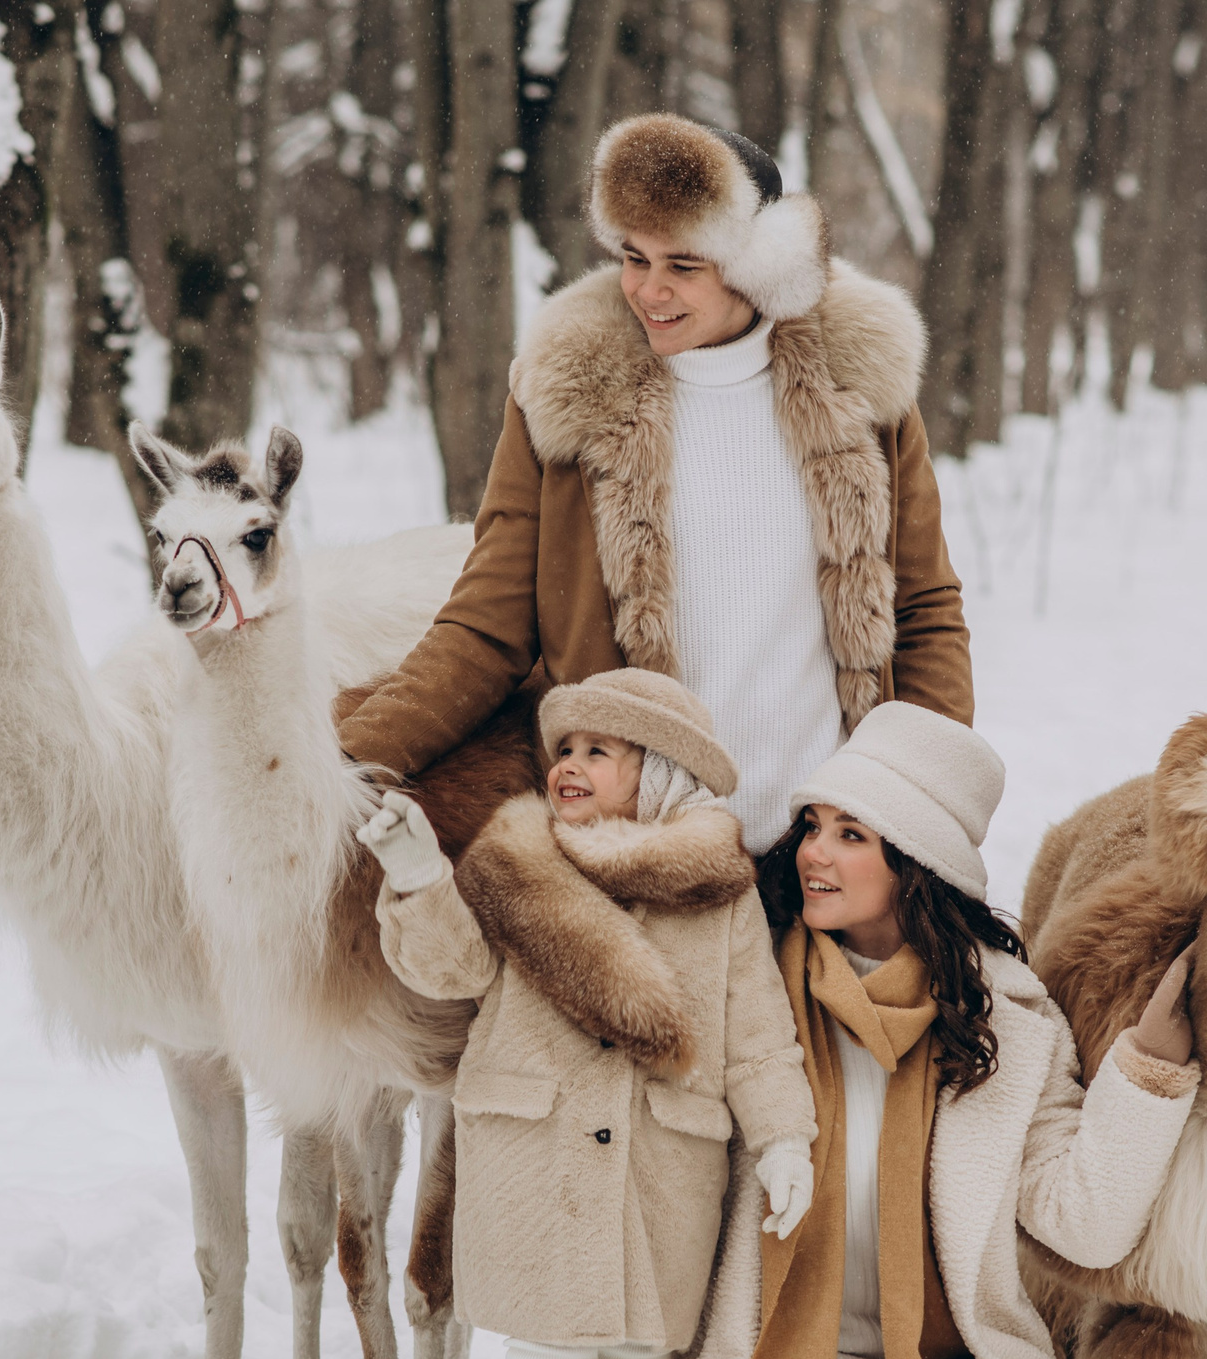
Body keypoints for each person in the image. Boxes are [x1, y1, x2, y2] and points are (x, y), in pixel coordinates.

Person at [638, 703, 1207, 1359]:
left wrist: (1149, 1074)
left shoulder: (1007, 1025)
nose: (814, 855)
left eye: (851, 835)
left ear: (914, 863)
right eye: (811, 827)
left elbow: (1082, 1225)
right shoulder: (749, 992)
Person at [336, 113, 973, 849]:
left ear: (759, 266)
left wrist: (922, 808)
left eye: (684, 265)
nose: (649, 291)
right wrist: (346, 765)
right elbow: (486, 627)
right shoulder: (563, 396)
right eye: (634, 258)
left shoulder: (861, 388)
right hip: (643, 854)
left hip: (826, 857)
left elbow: (923, 613)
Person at [353, 669, 819, 1359]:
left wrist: (783, 1138)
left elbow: (759, 1035)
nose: (569, 766)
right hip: (538, 1147)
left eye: (598, 751)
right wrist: (416, 880)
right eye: (562, 749)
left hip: (662, 1156)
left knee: (639, 1348)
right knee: (545, 1344)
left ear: (661, 773)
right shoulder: (520, 865)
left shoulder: (716, 897)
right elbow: (452, 968)